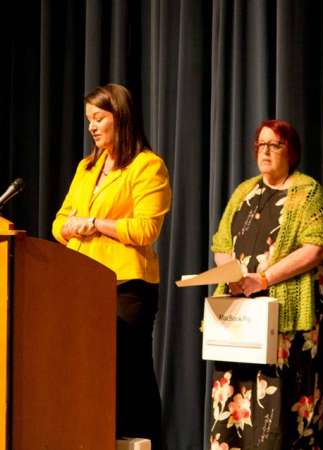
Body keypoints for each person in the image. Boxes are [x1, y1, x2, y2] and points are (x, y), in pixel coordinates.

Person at [52, 83, 171, 448]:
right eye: (89, 120)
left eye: (99, 118)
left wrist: (93, 224)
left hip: (128, 286)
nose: (92, 126)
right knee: (89, 372)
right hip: (85, 284)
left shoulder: (147, 166)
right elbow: (59, 224)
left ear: (120, 117)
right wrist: (74, 225)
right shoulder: (87, 167)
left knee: (128, 372)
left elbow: (146, 228)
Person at [209, 119, 323, 450]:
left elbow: (317, 246)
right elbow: (221, 243)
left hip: (285, 321)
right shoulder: (244, 191)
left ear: (290, 152)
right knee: (234, 397)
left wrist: (261, 279)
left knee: (276, 405)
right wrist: (232, 276)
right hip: (238, 314)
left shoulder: (307, 192)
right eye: (260, 145)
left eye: (274, 145)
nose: (265, 151)